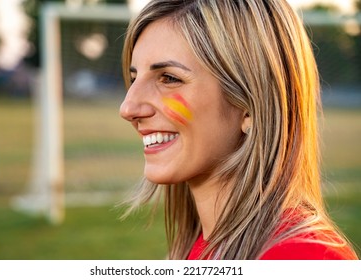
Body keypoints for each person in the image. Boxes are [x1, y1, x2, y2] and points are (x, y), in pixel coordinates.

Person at [119, 0, 359, 260]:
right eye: (134, 79)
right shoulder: (203, 247)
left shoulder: (304, 259)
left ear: (250, 106)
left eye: (169, 78)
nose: (128, 108)